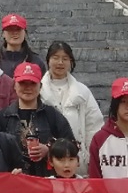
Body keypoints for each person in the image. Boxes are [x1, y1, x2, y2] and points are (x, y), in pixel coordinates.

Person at [0, 62, 76, 177]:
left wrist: (49, 149)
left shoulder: (52, 115)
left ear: (40, 86)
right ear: (14, 85)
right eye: (23, 83)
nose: (28, 88)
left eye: (32, 83)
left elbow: (71, 145)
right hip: (13, 180)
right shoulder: (1, 117)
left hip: (46, 180)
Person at [38, 42, 104, 174]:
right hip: (45, 162)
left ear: (71, 62)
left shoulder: (82, 92)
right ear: (48, 60)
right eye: (55, 58)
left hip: (77, 160)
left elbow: (93, 126)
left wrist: (92, 157)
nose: (60, 62)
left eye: (65, 58)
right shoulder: (38, 90)